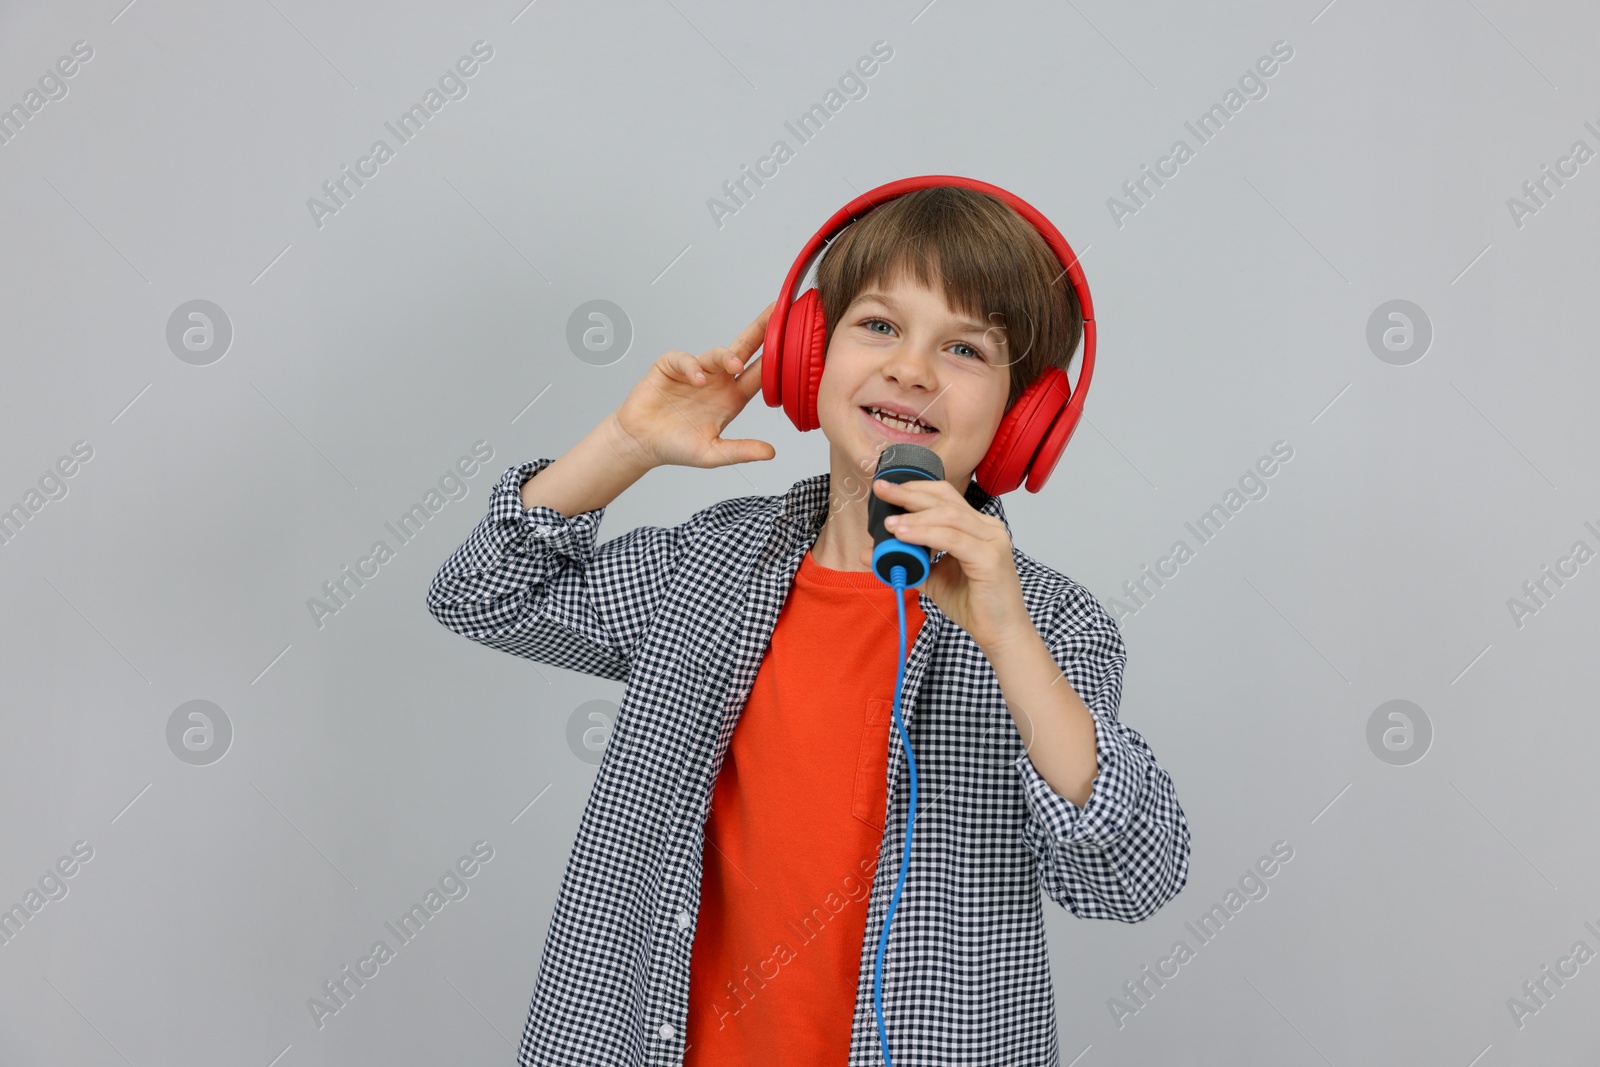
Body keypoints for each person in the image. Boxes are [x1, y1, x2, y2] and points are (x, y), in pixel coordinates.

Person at [426, 185, 1191, 1066]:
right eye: (878, 325)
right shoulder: (710, 563)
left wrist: (1008, 636)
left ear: (1025, 421)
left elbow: (1131, 877)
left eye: (966, 348)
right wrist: (627, 445)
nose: (911, 369)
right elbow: (482, 594)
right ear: (807, 355)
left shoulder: (1052, 625)